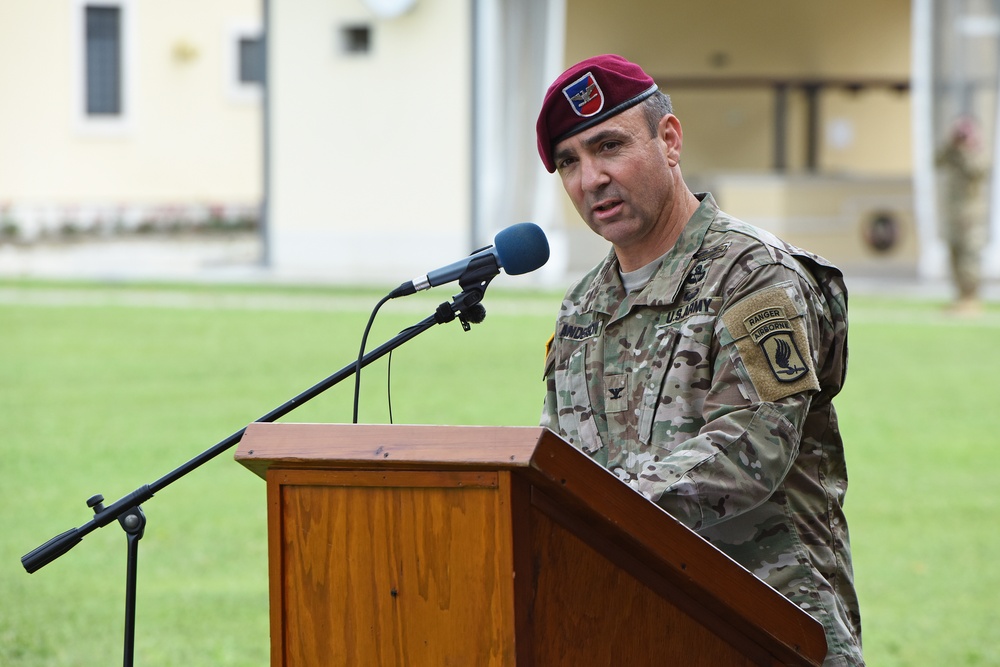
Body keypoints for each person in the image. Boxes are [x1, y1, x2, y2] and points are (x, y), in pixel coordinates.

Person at [536, 55, 863, 666]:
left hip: (766, 623)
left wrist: (598, 511)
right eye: (569, 162)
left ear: (669, 139)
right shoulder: (584, 306)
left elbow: (752, 445)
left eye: (609, 146)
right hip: (637, 626)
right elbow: (562, 462)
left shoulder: (754, 276)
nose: (591, 178)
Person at [936, 116, 987, 315]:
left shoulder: (977, 153)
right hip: (953, 216)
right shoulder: (952, 153)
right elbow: (937, 160)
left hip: (971, 219)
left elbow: (977, 171)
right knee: (954, 256)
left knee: (969, 259)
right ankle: (960, 298)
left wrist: (968, 147)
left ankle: (971, 299)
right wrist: (952, 143)